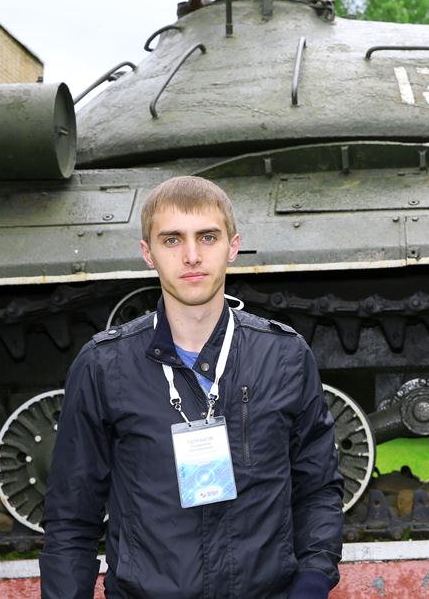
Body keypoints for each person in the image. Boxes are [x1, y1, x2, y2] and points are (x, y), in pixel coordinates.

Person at [40, 175, 344, 599]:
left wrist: (313, 581)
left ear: (232, 247)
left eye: (207, 237)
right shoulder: (104, 366)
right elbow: (71, 516)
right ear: (148, 253)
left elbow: (318, 487)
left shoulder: (285, 356)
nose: (192, 255)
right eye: (172, 240)